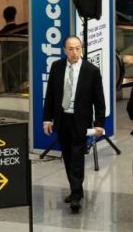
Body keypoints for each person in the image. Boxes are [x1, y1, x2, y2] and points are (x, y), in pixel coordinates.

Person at [41, 35, 106, 214]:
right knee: (68, 156)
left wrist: (99, 123)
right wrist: (47, 119)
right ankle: (76, 187)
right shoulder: (57, 67)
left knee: (77, 156)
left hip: (81, 120)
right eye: (71, 48)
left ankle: (76, 195)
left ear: (82, 49)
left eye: (78, 48)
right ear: (64, 51)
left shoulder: (91, 70)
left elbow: (99, 100)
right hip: (62, 118)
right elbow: (51, 96)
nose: (74, 52)